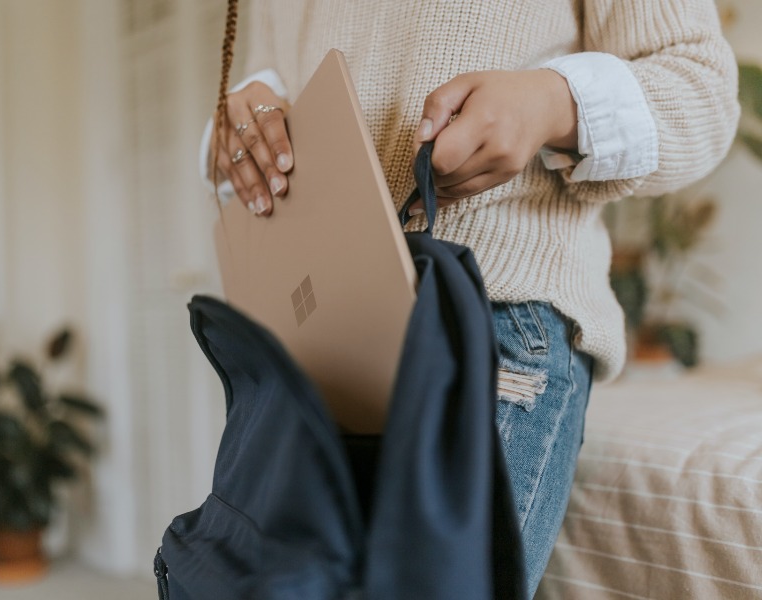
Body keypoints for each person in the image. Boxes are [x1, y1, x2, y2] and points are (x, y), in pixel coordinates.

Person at [200, 1, 739, 596]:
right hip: (312, 332)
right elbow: (270, 77)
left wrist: (550, 102)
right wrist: (242, 125)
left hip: (491, 314)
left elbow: (703, 91)